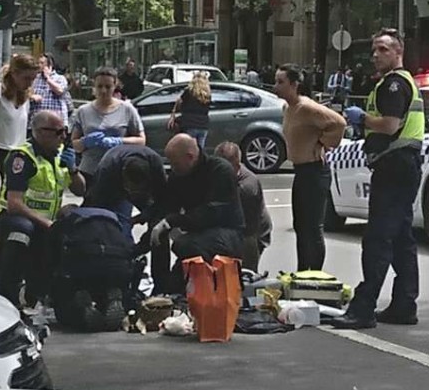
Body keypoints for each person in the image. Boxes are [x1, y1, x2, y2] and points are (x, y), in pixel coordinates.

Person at [333, 28, 425, 330]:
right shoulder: (393, 83)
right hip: (400, 166)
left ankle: (364, 307)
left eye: (383, 49)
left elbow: (390, 125)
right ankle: (404, 304)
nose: (375, 55)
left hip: (395, 167)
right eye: (374, 49)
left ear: (398, 52)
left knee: (377, 239)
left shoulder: (395, 85)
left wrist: (362, 119)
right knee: (400, 239)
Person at [0, 110, 86, 308]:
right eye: (58, 132)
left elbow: (80, 190)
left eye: (65, 132)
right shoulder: (23, 157)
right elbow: (14, 204)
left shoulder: (59, 155)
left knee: (76, 220)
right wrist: (49, 224)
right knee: (22, 230)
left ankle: (47, 293)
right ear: (40, 132)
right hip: (13, 219)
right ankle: (5, 289)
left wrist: (73, 169)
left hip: (45, 223)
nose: (63, 137)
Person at [141, 134, 244, 294]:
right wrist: (149, 235)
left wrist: (174, 220)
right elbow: (167, 206)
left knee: (184, 244)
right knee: (171, 286)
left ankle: (211, 290)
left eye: (175, 164)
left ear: (190, 157)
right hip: (198, 235)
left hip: (227, 232)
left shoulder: (220, 170)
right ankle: (161, 289)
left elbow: (212, 212)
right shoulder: (179, 175)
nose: (172, 168)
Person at [275, 63, 346, 271]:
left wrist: (323, 142)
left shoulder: (307, 107)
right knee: (301, 226)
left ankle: (314, 275)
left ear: (295, 84)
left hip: (315, 171)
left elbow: (338, 123)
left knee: (313, 228)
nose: (276, 86)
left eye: (281, 82)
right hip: (300, 171)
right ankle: (302, 271)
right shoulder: (288, 108)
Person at [0, 54, 39, 276]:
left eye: (33, 79)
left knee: (14, 213)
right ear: (14, 74)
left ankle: (9, 266)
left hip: (17, 155)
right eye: (26, 78)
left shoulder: (24, 96)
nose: (30, 83)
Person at [71, 67, 145, 196]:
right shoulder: (83, 111)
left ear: (115, 85)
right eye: (99, 86)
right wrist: (85, 142)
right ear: (94, 86)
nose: (103, 91)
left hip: (119, 172)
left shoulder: (126, 109)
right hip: (90, 172)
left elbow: (141, 141)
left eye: (108, 86)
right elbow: (74, 145)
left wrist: (118, 141)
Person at [86, 144, 167, 238]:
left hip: (144, 190)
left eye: (138, 190)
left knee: (159, 223)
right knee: (118, 227)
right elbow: (96, 205)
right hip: (112, 187)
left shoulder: (155, 163)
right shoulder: (107, 170)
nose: (133, 193)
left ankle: (156, 248)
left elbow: (163, 201)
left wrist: (143, 217)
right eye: (131, 189)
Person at [215, 142, 272, 274]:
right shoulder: (216, 173)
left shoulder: (246, 188)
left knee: (243, 272)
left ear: (236, 165)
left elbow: (246, 227)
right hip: (231, 225)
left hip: (251, 230)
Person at [168, 72, 211, 150]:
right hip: (203, 125)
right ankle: (199, 161)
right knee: (200, 150)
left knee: (189, 149)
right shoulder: (207, 95)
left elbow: (179, 101)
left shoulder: (189, 92)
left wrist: (173, 113)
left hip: (189, 124)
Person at [30, 53, 70, 125]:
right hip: (37, 120)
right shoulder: (34, 79)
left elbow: (60, 91)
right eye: (38, 63)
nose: (39, 65)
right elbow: (26, 93)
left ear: (50, 65)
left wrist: (48, 78)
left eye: (42, 63)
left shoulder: (60, 78)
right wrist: (32, 97)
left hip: (56, 120)